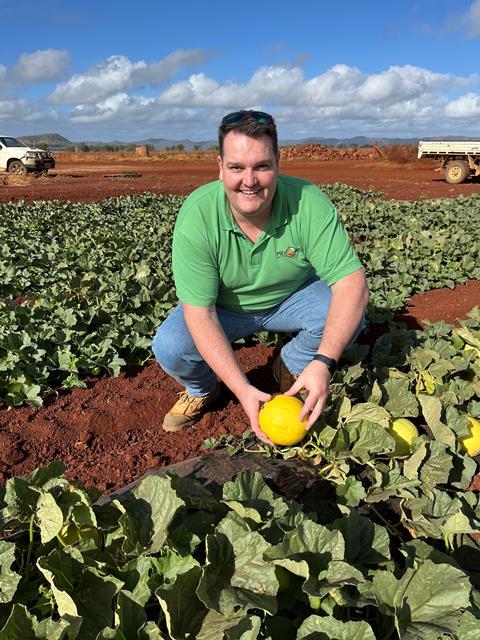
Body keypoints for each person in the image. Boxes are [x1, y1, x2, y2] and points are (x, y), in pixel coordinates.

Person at [152, 110, 368, 443]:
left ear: (278, 164)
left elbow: (352, 284)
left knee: (349, 314)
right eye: (237, 167)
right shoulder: (198, 215)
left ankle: (291, 364)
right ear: (220, 167)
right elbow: (200, 313)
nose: (249, 181)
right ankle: (203, 389)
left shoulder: (307, 202)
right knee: (171, 345)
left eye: (261, 167)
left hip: (290, 299)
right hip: (224, 309)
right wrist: (242, 389)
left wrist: (323, 362)